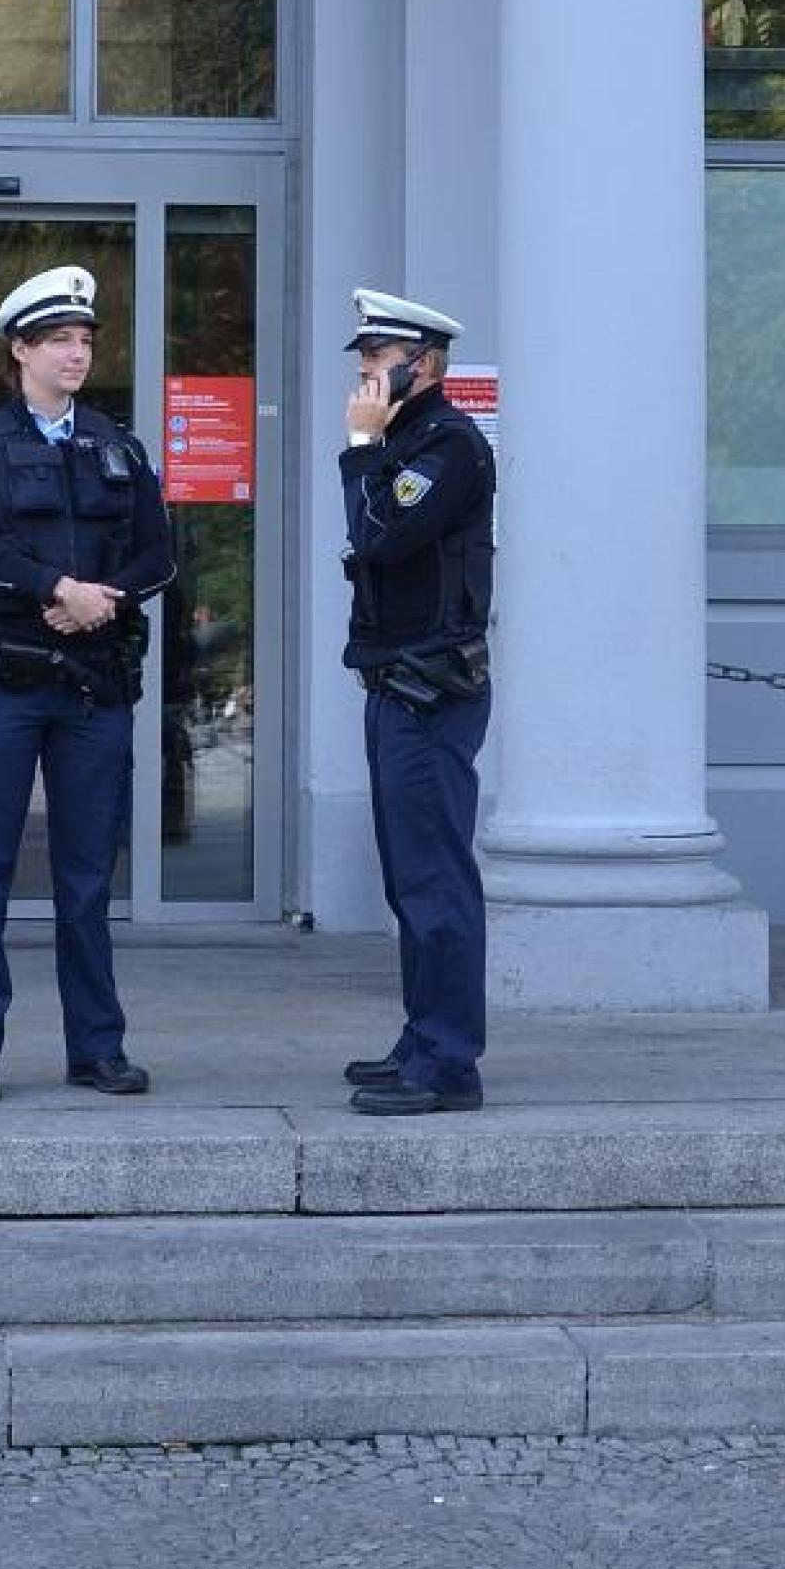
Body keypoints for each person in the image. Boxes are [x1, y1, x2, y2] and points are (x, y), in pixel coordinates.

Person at [0, 264, 173, 1103]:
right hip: (3, 686)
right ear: (20, 351)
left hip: (92, 690)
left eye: (84, 341)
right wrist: (56, 590)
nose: (77, 354)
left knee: (85, 881)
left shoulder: (119, 443)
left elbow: (158, 551)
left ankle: (97, 1049)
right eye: (60, 341)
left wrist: (101, 599)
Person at [337, 287, 496, 1115]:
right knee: (409, 880)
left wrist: (362, 447)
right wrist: (372, 446)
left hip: (431, 691)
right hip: (397, 685)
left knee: (436, 880)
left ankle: (448, 1061)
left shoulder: (447, 445)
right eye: (364, 361)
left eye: (376, 360)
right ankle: (420, 1038)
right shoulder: (408, 439)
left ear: (422, 365)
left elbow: (379, 535)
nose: (364, 373)